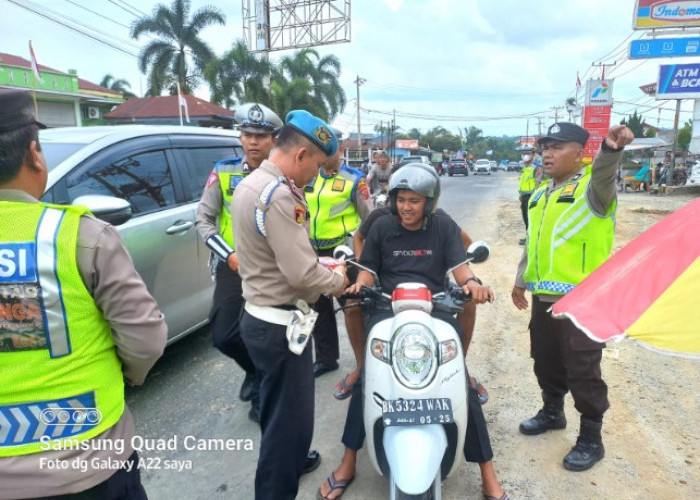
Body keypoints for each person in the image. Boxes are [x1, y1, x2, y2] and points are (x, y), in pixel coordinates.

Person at [0, 88, 167, 499]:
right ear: (34, 155)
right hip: (88, 463)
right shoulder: (76, 235)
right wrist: (126, 376)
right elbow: (145, 340)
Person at [318, 164, 509, 500]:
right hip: (386, 307)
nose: (406, 207)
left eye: (414, 201)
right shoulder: (382, 225)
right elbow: (367, 271)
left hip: (435, 306)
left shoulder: (443, 225)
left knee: (458, 380)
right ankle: (348, 462)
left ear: (429, 202)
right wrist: (358, 287)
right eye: (401, 199)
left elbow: (461, 269)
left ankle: (488, 473)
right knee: (367, 381)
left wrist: (473, 284)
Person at [231, 110, 349, 500]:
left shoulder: (251, 184)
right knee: (290, 432)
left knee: (277, 420)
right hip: (281, 328)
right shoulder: (278, 195)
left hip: (260, 317)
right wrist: (338, 281)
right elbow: (302, 275)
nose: (316, 174)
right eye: (316, 164)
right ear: (300, 155)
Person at [511, 122, 634, 472]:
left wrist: (610, 152)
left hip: (583, 300)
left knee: (583, 368)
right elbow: (533, 241)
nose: (547, 153)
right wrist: (521, 279)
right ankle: (553, 412)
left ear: (580, 153)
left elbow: (605, 174)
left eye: (557, 147)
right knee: (545, 359)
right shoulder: (539, 194)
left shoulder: (594, 190)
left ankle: (592, 439)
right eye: (545, 147)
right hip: (544, 298)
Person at [195, 102, 282, 421]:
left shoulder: (283, 176)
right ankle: (255, 372)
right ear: (240, 137)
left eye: (261, 135)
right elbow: (204, 219)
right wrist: (227, 254)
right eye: (247, 134)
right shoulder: (223, 171)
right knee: (223, 335)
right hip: (233, 265)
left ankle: (264, 397)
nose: (253, 141)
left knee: (266, 335)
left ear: (273, 140)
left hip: (273, 270)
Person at [304, 150, 373, 379]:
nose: (323, 155)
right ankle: (326, 358)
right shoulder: (310, 176)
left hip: (343, 252)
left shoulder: (354, 179)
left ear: (340, 151)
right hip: (314, 251)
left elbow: (369, 219)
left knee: (352, 305)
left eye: (329, 150)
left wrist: (366, 258)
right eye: (320, 150)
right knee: (319, 305)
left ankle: (366, 362)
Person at [517, 144, 542, 245]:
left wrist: (535, 197)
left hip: (532, 196)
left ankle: (532, 238)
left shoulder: (536, 167)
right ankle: (528, 236)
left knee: (531, 218)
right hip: (524, 196)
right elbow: (523, 183)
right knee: (525, 217)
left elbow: (538, 183)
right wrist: (521, 195)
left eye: (527, 153)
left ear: (533, 154)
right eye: (523, 154)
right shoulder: (525, 167)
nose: (525, 155)